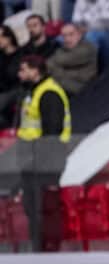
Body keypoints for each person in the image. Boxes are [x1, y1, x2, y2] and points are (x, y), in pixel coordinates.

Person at [16, 54, 70, 251]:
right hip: (32, 162)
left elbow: (52, 131)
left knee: (45, 208)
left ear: (35, 71)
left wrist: (38, 157)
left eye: (23, 69)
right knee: (32, 208)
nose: (20, 73)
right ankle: (37, 247)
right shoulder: (33, 92)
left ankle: (48, 249)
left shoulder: (49, 93)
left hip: (46, 161)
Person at [46, 22, 98, 96]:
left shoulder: (88, 48)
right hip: (65, 84)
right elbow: (49, 62)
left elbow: (61, 60)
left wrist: (57, 71)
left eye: (71, 34)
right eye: (64, 36)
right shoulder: (62, 49)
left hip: (84, 88)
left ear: (79, 35)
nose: (67, 39)